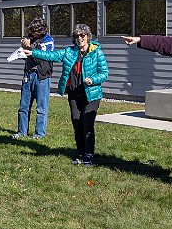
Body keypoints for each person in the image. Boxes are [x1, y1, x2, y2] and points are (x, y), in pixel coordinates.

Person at [25, 24, 109, 166]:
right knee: (77, 123)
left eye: (82, 35)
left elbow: (104, 73)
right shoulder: (70, 52)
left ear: (88, 37)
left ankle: (89, 154)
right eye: (77, 36)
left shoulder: (96, 53)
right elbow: (52, 55)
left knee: (87, 124)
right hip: (74, 93)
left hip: (91, 94)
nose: (80, 38)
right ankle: (80, 153)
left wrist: (93, 79)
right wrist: (33, 52)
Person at [12, 18, 55, 139]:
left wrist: (29, 47)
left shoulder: (48, 41)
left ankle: (39, 133)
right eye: (30, 31)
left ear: (41, 31)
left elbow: (40, 57)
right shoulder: (29, 38)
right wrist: (23, 45)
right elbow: (24, 52)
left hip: (42, 76)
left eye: (34, 31)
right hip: (28, 74)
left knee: (41, 107)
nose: (31, 33)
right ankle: (22, 132)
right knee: (24, 106)